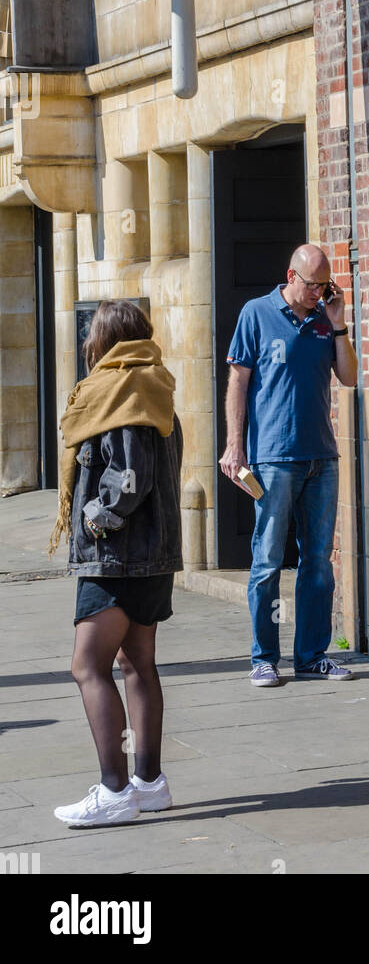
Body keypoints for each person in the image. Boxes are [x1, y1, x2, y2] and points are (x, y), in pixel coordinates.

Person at [50, 300, 183, 828]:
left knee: (87, 666)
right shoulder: (156, 385)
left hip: (116, 559)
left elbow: (130, 477)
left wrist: (94, 518)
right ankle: (149, 785)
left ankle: (113, 789)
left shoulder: (118, 391)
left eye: (92, 335)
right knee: (137, 665)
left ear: (104, 340)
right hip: (152, 558)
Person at [220, 243, 358, 687]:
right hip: (273, 459)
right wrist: (233, 447)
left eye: (325, 285)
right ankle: (263, 658)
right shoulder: (255, 314)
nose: (319, 292)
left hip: (321, 456)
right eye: (312, 284)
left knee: (318, 562)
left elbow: (350, 377)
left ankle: (312, 655)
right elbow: (238, 382)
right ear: (291, 276)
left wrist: (338, 326)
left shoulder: (325, 319)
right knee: (267, 561)